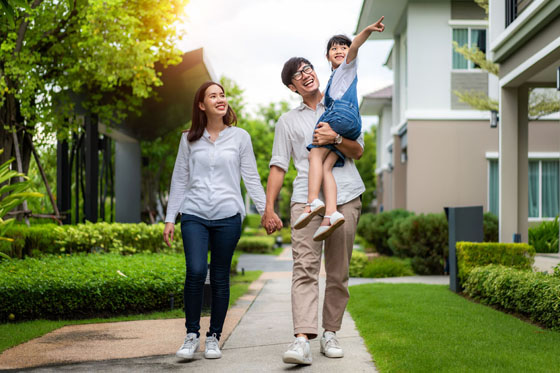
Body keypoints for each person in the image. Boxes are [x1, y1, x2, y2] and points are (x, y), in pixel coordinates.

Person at [261, 57, 365, 365]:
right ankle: (302, 340)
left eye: (308, 69)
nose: (305, 75)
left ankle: (331, 332)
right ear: (292, 87)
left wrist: (334, 138)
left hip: (345, 197)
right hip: (304, 204)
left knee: (338, 272)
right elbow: (278, 166)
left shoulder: (341, 104)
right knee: (304, 268)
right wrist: (269, 208)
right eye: (297, 75)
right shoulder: (287, 121)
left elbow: (357, 150)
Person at [163, 81, 266, 360]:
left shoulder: (240, 137)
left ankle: (214, 337)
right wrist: (170, 218)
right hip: (194, 213)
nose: (220, 99)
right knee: (196, 271)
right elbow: (180, 179)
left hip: (228, 216)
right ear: (201, 105)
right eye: (213, 96)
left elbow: (251, 178)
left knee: (220, 277)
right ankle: (191, 334)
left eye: (222, 95)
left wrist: (266, 210)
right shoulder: (188, 139)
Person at [293, 17, 385, 242]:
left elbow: (355, 46)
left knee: (315, 152)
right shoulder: (334, 79)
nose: (340, 50)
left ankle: (313, 200)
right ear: (326, 56)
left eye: (343, 47)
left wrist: (367, 31)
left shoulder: (346, 68)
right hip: (350, 123)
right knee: (326, 167)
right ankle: (331, 214)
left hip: (342, 115)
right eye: (334, 48)